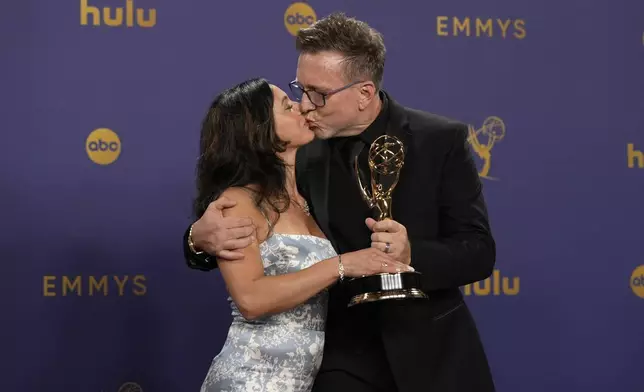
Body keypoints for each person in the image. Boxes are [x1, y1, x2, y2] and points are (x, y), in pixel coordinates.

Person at [185, 13, 497, 392]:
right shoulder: (296, 149)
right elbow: (247, 223)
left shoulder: (439, 141)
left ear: (364, 93)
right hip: (340, 362)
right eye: (301, 89)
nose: (305, 105)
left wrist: (412, 253)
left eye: (318, 93)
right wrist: (196, 239)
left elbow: (478, 251)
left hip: (436, 357)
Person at [191, 77, 412, 392]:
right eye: (287, 106)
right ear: (260, 130)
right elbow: (251, 299)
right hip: (249, 380)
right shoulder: (236, 202)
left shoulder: (310, 196)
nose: (303, 106)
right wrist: (342, 265)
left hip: (306, 382)